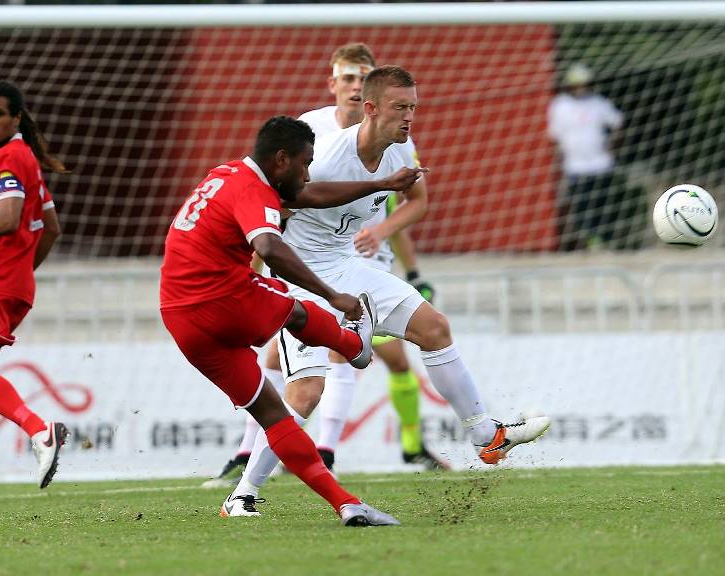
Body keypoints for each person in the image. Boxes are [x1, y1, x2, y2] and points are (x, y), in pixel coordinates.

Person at [225, 66, 550, 516]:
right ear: (371, 108)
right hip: (300, 278)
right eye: (400, 107)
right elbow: (284, 199)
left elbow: (415, 204)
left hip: (346, 265)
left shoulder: (400, 154)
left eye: (413, 107)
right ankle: (242, 493)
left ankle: (484, 435)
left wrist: (391, 239)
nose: (409, 117)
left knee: (434, 328)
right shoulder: (330, 154)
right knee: (306, 392)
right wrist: (254, 275)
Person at [160, 115, 424, 526]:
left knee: (275, 415)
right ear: (282, 159)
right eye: (304, 163)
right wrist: (333, 294)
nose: (306, 173)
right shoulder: (254, 189)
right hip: (219, 298)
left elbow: (311, 196)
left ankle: (343, 504)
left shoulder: (228, 174)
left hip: (180, 319)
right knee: (295, 305)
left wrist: (378, 184)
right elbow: (268, 244)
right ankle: (355, 347)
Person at [207, 44, 443, 485]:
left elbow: (406, 206)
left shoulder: (397, 138)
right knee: (289, 364)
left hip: (366, 264)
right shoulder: (310, 133)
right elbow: (274, 211)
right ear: (333, 84)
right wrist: (251, 273)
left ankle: (388, 446)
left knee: (389, 353)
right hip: (308, 268)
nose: (355, 86)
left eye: (362, 77)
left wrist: (400, 256)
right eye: (347, 78)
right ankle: (249, 458)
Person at [0, 80, 67, 489]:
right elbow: (51, 228)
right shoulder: (24, 160)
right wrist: (22, 269)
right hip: (12, 282)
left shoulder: (7, 159)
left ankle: (40, 430)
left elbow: (7, 218)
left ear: (15, 118)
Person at [548, 63, 624, 251]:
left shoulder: (598, 103)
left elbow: (618, 124)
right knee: (581, 207)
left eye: (584, 84)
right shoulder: (560, 105)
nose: (581, 88)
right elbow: (555, 137)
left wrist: (611, 149)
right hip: (575, 166)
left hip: (600, 164)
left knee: (601, 205)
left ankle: (601, 241)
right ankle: (587, 243)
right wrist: (558, 163)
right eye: (577, 84)